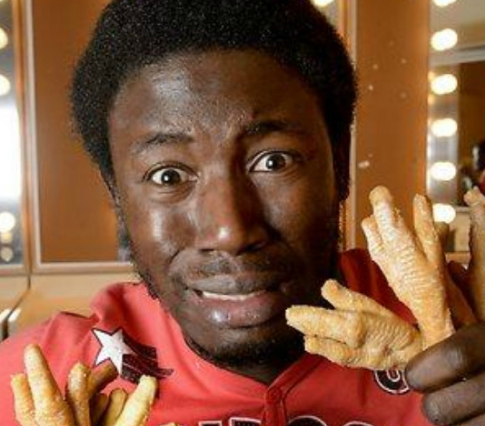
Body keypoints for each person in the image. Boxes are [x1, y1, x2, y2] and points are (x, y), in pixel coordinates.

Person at [1, 0, 485, 425]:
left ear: (339, 166)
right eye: (168, 175)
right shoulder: (39, 375)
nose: (230, 231)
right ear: (117, 195)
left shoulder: (467, 325)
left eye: (274, 161)